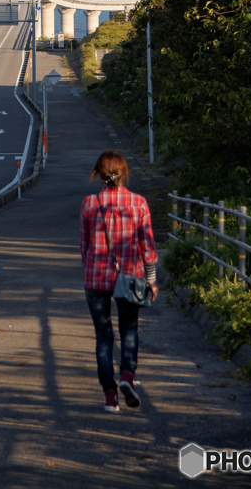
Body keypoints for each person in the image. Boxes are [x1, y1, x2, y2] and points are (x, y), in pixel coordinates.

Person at [80, 149, 158, 413]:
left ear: (99, 174)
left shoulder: (89, 204)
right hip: (129, 278)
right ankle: (127, 376)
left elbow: (84, 247)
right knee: (129, 330)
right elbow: (147, 247)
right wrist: (151, 280)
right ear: (123, 173)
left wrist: (89, 270)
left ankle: (110, 396)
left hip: (95, 277)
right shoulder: (138, 203)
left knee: (103, 336)